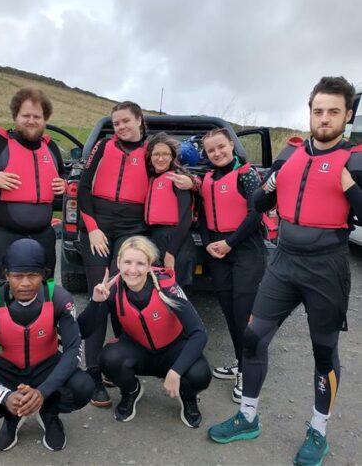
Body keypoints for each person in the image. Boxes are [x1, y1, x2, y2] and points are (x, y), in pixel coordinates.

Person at [208, 77, 362, 466]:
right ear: (309, 112)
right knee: (253, 337)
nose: (323, 119)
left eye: (333, 112)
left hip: (327, 265)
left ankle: (318, 430)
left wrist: (349, 186)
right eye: (318, 111)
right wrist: (273, 180)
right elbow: (259, 201)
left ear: (347, 115)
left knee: (324, 352)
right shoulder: (289, 153)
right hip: (284, 261)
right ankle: (247, 416)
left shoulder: (357, 159)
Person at [77, 101, 193, 407]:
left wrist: (193, 181)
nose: (120, 127)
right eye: (116, 123)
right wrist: (91, 228)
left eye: (126, 121)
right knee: (99, 293)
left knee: (122, 294)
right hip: (98, 225)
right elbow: (84, 187)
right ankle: (91, 373)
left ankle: (117, 362)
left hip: (132, 227)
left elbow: (175, 171)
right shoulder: (103, 146)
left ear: (139, 120)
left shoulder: (151, 150)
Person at [0, 239, 93, 452]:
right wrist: (5, 396)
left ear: (43, 275)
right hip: (6, 369)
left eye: (32, 276)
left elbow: (73, 350)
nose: (24, 283)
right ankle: (11, 415)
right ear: (6, 275)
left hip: (46, 365)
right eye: (17, 276)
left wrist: (42, 392)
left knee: (84, 386)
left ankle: (48, 412)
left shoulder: (59, 297)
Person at [78, 236, 212, 427]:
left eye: (140, 263)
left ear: (150, 265)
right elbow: (83, 331)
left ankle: (188, 396)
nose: (132, 270)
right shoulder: (113, 288)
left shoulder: (167, 287)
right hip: (139, 351)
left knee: (200, 373)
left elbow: (199, 333)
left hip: (173, 351)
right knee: (108, 358)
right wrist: (96, 302)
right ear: (118, 263)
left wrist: (176, 371)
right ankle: (131, 391)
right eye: (127, 262)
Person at [0, 87, 66, 283]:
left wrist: (63, 184)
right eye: (26, 115)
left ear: (45, 119)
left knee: (45, 289)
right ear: (16, 116)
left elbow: (62, 174)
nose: (31, 121)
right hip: (5, 236)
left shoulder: (50, 147)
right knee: (5, 290)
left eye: (37, 116)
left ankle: (46, 314)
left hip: (43, 235)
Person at [198, 127, 266, 403]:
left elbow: (256, 214)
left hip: (244, 249)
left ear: (231, 146)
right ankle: (241, 362)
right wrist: (207, 244)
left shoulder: (247, 174)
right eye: (211, 150)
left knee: (242, 314)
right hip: (217, 250)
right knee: (228, 310)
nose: (217, 153)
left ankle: (247, 370)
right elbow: (202, 215)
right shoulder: (207, 179)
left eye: (221, 147)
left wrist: (230, 243)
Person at [144, 132, 196, 288]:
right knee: (158, 287)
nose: (161, 158)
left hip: (176, 239)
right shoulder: (151, 179)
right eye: (156, 154)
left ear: (173, 156)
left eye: (165, 154)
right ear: (150, 157)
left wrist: (171, 253)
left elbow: (186, 218)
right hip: (155, 237)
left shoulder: (178, 179)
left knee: (177, 289)